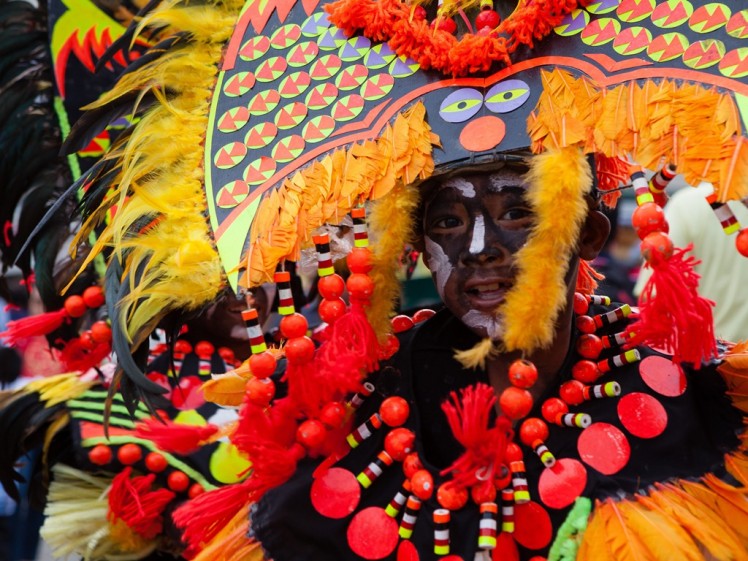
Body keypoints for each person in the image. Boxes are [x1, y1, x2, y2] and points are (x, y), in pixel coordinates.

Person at [5, 0, 748, 560]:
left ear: (586, 228)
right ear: (413, 246)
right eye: (448, 223)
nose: (481, 249)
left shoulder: (675, 394)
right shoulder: (356, 415)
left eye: (519, 211)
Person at [634, 183, 748, 343]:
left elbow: (656, 297)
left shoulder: (687, 203)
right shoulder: (688, 204)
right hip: (706, 355)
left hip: (704, 356)